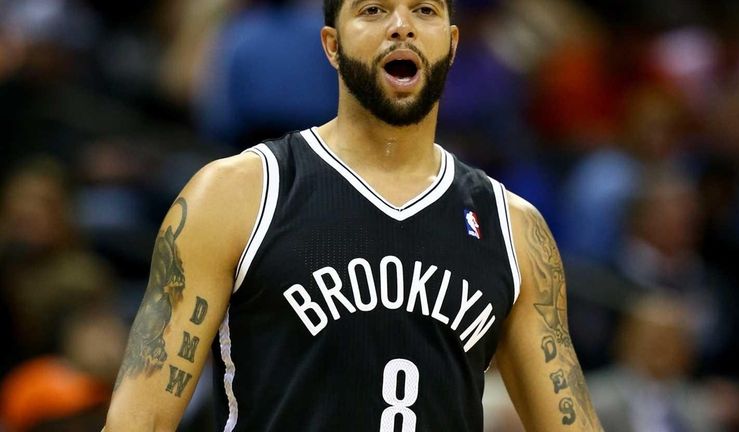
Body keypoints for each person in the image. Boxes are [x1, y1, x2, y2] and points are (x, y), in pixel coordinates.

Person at [104, 0, 604, 430]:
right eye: (373, 9)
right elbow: (140, 421)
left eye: (424, 10)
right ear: (331, 45)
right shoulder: (237, 193)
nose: (402, 25)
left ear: (452, 44)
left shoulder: (511, 226)